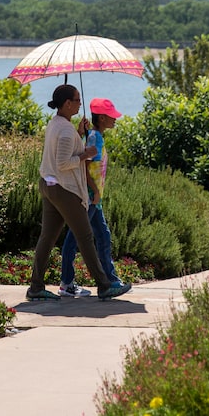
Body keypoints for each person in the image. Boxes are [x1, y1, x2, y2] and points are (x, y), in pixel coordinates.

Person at [26, 84, 132, 302]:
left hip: (49, 185)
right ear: (67, 103)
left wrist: (78, 134)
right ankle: (104, 286)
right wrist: (87, 154)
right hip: (64, 189)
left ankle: (36, 286)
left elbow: (63, 149)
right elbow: (64, 163)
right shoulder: (65, 130)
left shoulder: (56, 124)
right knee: (85, 237)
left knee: (47, 238)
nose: (80, 103)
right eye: (76, 100)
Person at [59, 98, 127, 297]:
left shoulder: (95, 136)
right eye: (112, 116)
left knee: (103, 236)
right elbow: (86, 167)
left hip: (95, 199)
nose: (115, 120)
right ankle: (67, 282)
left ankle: (111, 280)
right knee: (74, 238)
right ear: (103, 117)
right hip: (89, 198)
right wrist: (95, 192)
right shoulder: (95, 138)